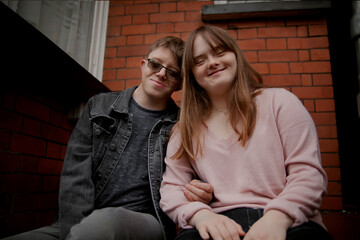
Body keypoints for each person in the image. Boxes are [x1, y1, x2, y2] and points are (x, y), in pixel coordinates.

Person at [3, 36, 213, 240]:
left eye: (173, 73)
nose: (161, 74)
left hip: (145, 223)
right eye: (155, 65)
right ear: (143, 65)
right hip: (81, 221)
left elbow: (194, 178)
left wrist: (199, 191)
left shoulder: (182, 126)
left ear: (180, 84)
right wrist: (74, 229)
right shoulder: (99, 107)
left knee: (106, 223)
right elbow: (75, 176)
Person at [159, 25, 333, 240]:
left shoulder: (280, 103)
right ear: (192, 75)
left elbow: (308, 174)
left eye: (220, 52)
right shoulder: (184, 129)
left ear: (235, 55)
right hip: (219, 224)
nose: (212, 62)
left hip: (288, 220)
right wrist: (201, 216)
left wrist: (278, 218)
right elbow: (171, 189)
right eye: (200, 60)